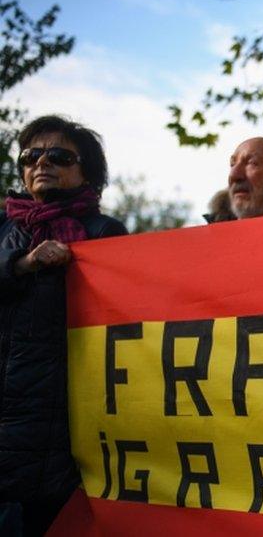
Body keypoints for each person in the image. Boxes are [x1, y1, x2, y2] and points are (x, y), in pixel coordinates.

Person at [0, 115, 128, 536]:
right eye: (31, 155)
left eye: (58, 155)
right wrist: (23, 264)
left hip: (62, 430)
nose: (42, 163)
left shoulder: (104, 234)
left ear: (86, 172)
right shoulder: (4, 230)